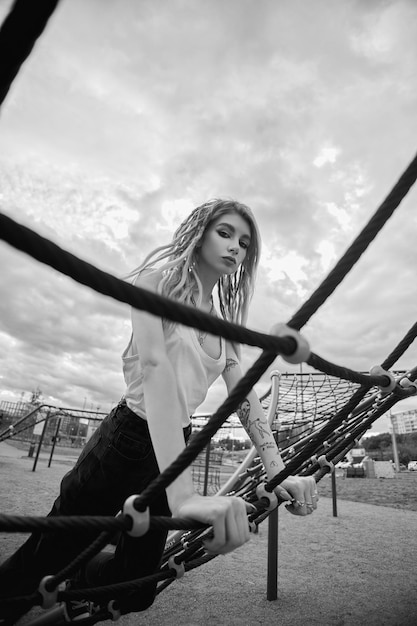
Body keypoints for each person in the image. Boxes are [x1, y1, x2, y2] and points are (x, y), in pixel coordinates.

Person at [0, 199, 318, 623]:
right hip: (127, 439)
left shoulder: (222, 324)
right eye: (225, 233)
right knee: (43, 559)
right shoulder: (155, 285)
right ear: (199, 232)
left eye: (243, 242)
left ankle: (75, 588)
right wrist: (183, 495)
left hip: (174, 447)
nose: (235, 247)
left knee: (135, 590)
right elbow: (155, 368)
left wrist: (279, 474)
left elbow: (245, 398)